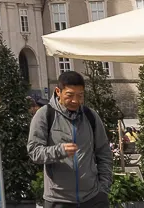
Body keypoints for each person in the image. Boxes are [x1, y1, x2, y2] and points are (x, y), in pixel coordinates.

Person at [27, 70, 113, 208]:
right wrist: (59, 150)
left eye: (80, 95)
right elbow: (34, 152)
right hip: (59, 200)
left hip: (93, 198)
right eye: (70, 95)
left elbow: (104, 152)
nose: (75, 100)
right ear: (58, 91)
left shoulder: (90, 116)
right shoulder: (44, 115)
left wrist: (104, 187)